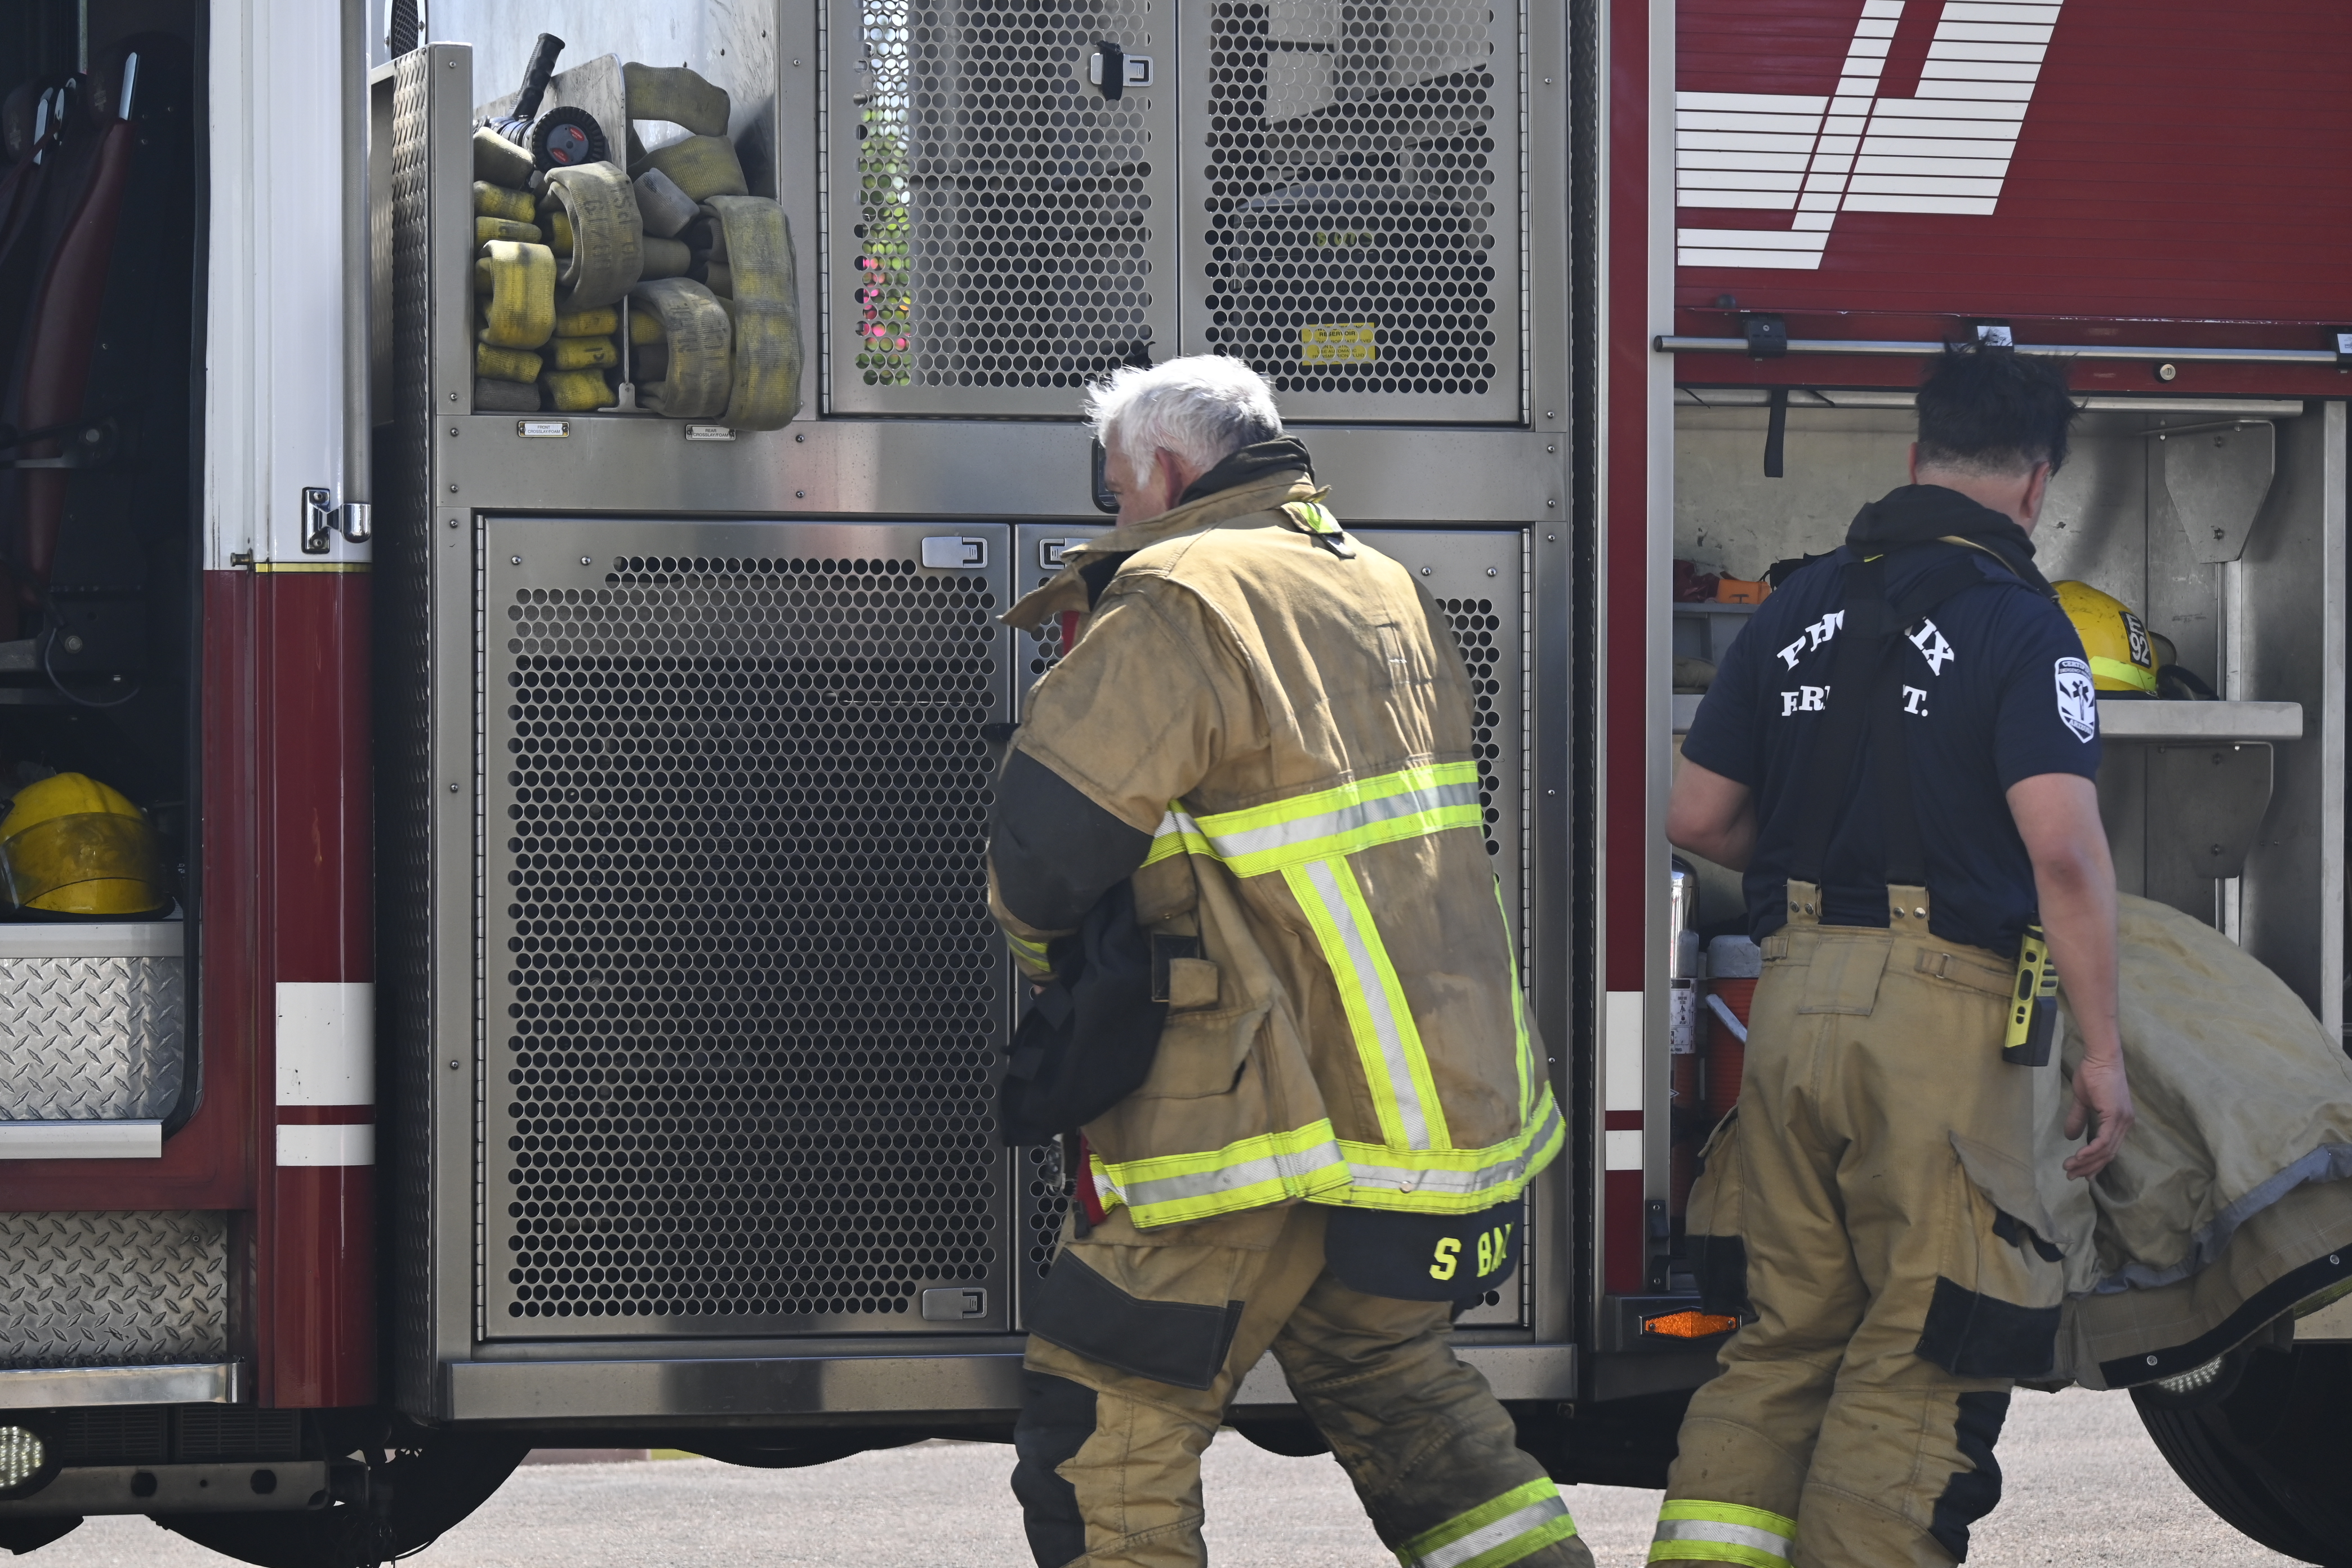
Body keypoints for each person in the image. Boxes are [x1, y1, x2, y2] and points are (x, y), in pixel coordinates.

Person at [989, 355, 1586, 1568]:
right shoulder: (1382, 584)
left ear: (1166, 470)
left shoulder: (1178, 595)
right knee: (1399, 1391)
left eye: (1119, 492)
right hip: (1429, 1100)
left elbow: (1046, 856)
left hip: (1262, 1110)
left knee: (1107, 1422)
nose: (1119, 515)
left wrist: (1060, 981)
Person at [1652, 345, 2136, 1568]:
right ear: (2038, 482)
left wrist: (1816, 870)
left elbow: (1696, 816)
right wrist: (2105, 1053)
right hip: (1941, 1023)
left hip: (1793, 999)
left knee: (1784, 1340)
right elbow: (2065, 853)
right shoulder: (2021, 623)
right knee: (1926, 1345)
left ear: (1916, 457)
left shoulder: (1797, 606)